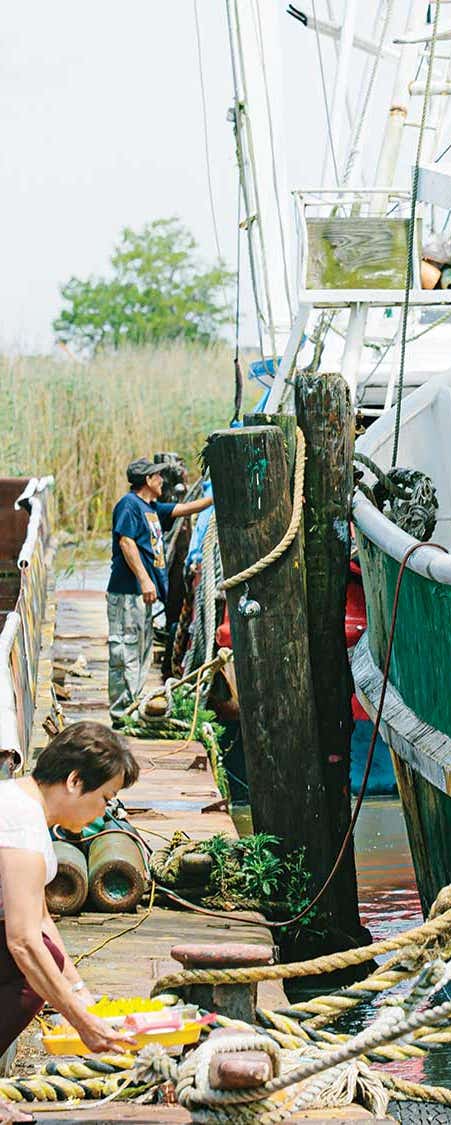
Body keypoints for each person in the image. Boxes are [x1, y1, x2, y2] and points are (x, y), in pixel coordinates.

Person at [0, 722, 139, 1124]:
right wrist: (83, 1024)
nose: (105, 812)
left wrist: (79, 992)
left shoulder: (24, 806)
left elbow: (38, 915)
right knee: (29, 973)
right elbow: (24, 941)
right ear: (76, 781)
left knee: (49, 964)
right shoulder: (21, 820)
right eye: (106, 798)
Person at [107, 458, 213, 724]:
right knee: (126, 650)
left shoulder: (151, 508)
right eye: (157, 477)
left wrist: (218, 496)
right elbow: (126, 542)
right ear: (147, 480)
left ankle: (132, 709)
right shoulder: (129, 505)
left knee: (141, 652)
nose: (162, 481)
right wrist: (144, 580)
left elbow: (186, 507)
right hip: (128, 593)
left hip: (142, 596)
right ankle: (121, 715)